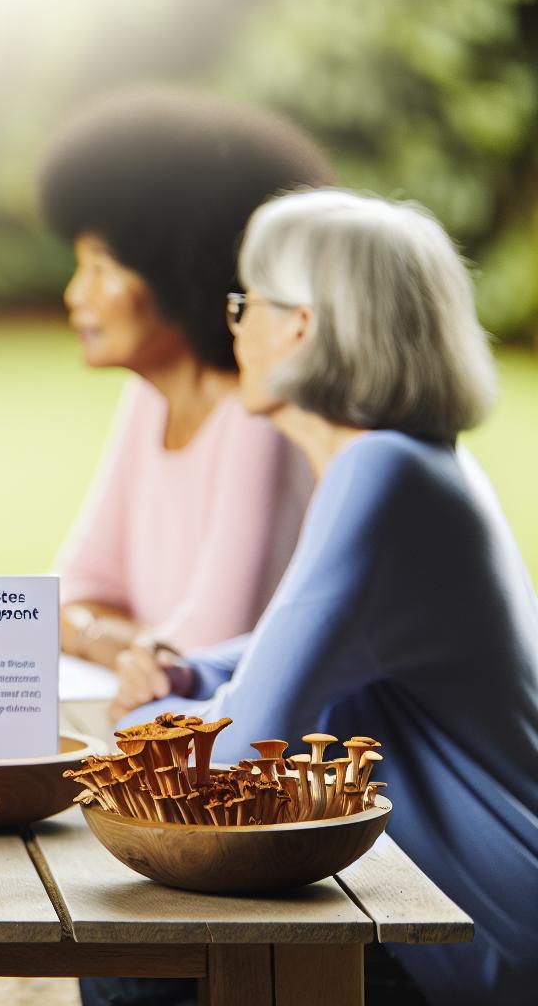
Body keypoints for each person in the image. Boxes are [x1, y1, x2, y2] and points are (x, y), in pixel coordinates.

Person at [93, 189, 538, 1006]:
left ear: (299, 324)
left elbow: (229, 762)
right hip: (448, 908)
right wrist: (189, 672)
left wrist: (116, 732)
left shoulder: (380, 475)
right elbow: (337, 650)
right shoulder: (419, 462)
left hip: (473, 935)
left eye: (246, 302)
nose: (232, 326)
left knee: (134, 965)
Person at [35, 89, 331, 703]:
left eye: (100, 267)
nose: (74, 295)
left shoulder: (262, 419)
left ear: (179, 268)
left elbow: (207, 652)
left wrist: (104, 636)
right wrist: (125, 644)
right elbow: (62, 596)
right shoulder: (149, 399)